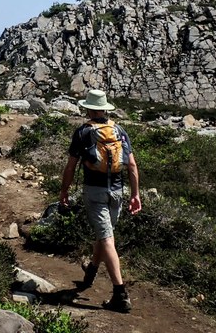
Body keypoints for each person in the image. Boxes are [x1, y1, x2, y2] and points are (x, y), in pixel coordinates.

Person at [59, 89, 141, 313]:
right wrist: (135, 194)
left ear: (88, 108)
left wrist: (64, 191)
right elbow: (132, 166)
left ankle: (120, 294)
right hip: (117, 191)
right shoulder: (120, 130)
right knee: (105, 235)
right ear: (105, 109)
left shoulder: (83, 132)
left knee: (106, 239)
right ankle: (91, 272)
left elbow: (71, 167)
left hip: (94, 193)